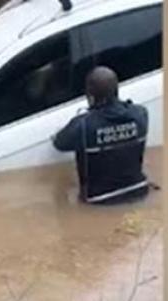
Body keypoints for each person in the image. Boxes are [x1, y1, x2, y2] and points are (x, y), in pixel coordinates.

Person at [53, 66, 150, 204]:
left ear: (89, 94)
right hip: (138, 190)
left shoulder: (83, 125)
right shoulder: (140, 114)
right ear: (117, 89)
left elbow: (59, 143)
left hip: (101, 200)